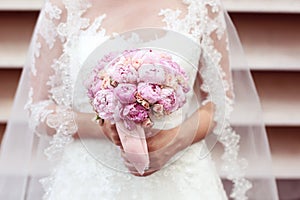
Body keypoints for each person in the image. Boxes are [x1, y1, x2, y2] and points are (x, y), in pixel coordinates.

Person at [0, 0, 279, 199]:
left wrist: (176, 139)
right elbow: (38, 110)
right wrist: (105, 127)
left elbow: (221, 101)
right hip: (90, 180)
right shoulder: (64, 7)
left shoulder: (201, 6)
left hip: (182, 178)